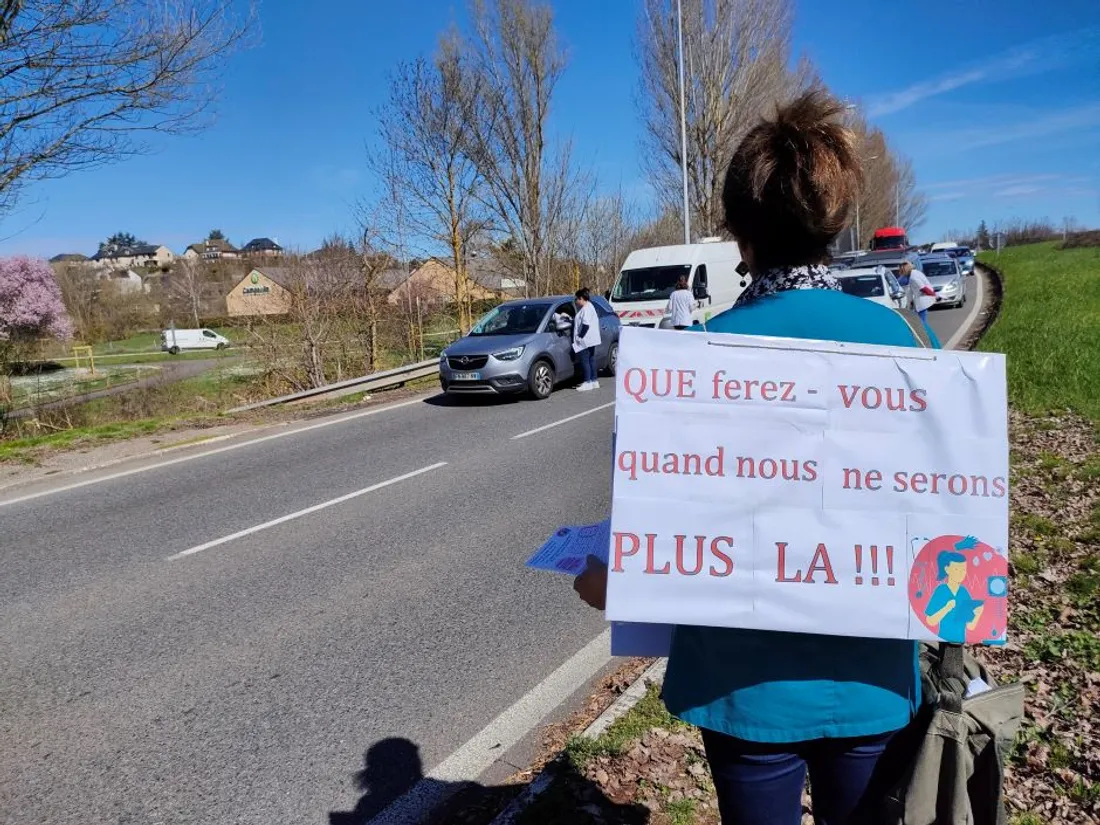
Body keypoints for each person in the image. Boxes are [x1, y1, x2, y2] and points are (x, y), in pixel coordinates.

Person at [574, 89, 939, 825]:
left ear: (738, 234)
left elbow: (659, 541)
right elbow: (939, 515)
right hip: (870, 676)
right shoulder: (908, 344)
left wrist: (605, 581)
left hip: (741, 687)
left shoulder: (689, 363)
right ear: (836, 223)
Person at [925, 539, 985, 644]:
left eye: (963, 570)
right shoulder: (941, 590)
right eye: (957, 569)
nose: (961, 573)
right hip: (942, 639)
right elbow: (930, 621)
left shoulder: (964, 592)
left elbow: (970, 626)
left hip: (960, 639)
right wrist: (946, 608)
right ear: (947, 569)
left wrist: (978, 614)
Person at [572, 287, 601, 391]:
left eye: (576, 299)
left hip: (585, 340)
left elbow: (586, 325)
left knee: (585, 360)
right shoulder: (589, 306)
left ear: (581, 298)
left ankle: (587, 382)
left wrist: (580, 337)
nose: (576, 301)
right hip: (590, 339)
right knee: (591, 359)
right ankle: (594, 381)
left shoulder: (586, 309)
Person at [900, 260, 936, 333]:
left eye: (902, 271)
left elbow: (922, 288)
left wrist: (933, 294)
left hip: (922, 300)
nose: (902, 274)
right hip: (922, 299)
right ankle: (924, 332)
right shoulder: (916, 272)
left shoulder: (913, 278)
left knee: (922, 321)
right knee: (921, 319)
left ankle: (924, 334)